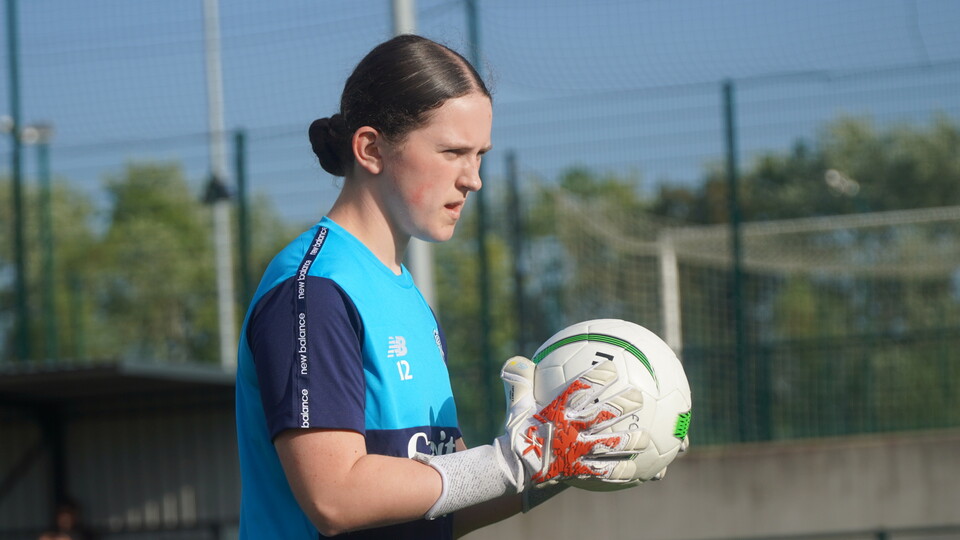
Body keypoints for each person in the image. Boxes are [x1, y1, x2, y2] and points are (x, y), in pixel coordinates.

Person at [235, 34, 650, 539]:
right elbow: (335, 496)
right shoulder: (314, 290)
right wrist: (510, 460)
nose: (473, 179)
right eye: (453, 151)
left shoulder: (411, 303)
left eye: (480, 155)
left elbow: (443, 503)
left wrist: (560, 460)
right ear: (371, 148)